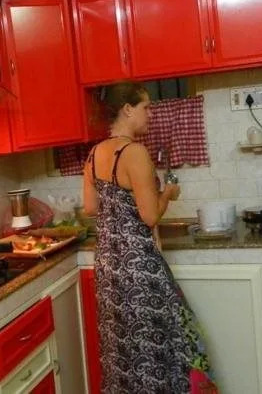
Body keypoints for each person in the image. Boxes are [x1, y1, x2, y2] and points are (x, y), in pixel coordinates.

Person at [82, 82, 217, 393]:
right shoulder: (134, 152)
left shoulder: (94, 154)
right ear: (127, 109)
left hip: (108, 266)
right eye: (146, 107)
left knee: (123, 349)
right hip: (138, 265)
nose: (151, 114)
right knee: (160, 344)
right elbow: (150, 216)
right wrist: (167, 193)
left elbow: (91, 208)